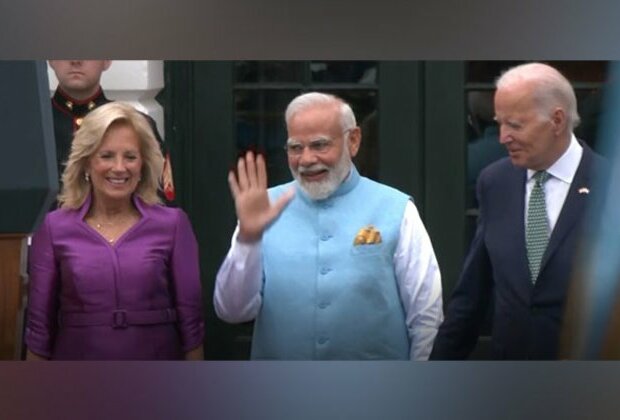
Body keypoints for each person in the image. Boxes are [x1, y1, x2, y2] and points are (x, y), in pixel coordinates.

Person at [214, 92, 443, 360]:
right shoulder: (263, 208)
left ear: (353, 140)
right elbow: (232, 311)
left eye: (320, 145)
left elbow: (426, 316)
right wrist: (248, 239)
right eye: (295, 148)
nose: (307, 159)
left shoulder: (396, 208)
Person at [430, 62, 606, 360]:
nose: (502, 137)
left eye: (515, 125)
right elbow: (472, 295)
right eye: (499, 123)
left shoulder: (610, 186)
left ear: (557, 121)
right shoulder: (495, 182)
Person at [25, 102, 204, 360]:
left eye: (130, 156)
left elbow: (192, 323)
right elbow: (39, 329)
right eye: (106, 156)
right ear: (86, 163)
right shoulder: (54, 227)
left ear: (142, 164)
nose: (119, 168)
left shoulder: (173, 224)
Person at [49, 60, 175, 201]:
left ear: (107, 61)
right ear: (50, 60)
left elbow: (159, 202)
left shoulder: (136, 124)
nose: (76, 61)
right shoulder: (30, 125)